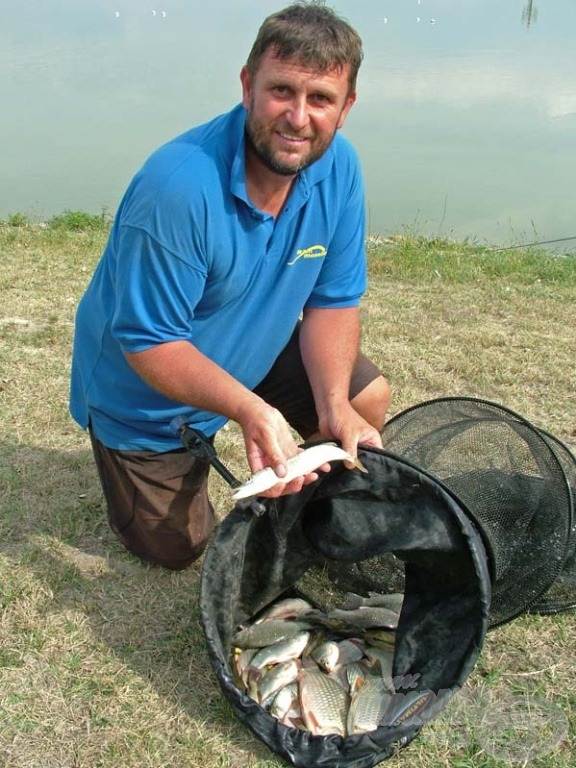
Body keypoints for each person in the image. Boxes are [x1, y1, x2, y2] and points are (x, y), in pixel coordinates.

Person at [70, 1, 390, 570]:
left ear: (346, 108)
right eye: (281, 91)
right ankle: (139, 463)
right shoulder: (178, 188)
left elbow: (332, 301)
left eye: (320, 99)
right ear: (247, 86)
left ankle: (306, 498)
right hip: (145, 397)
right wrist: (249, 409)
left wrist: (334, 404)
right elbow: (148, 343)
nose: (298, 117)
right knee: (180, 549)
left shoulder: (339, 167)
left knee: (365, 401)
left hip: (252, 346)